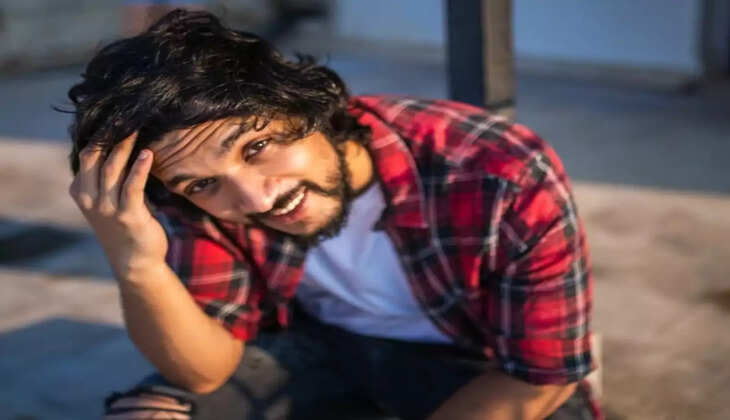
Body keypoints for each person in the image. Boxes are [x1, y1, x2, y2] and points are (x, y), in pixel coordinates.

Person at [66, 10, 599, 420]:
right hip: (320, 349)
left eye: (257, 148)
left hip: (476, 366)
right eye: (203, 183)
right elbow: (205, 373)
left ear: (304, 103)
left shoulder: (498, 172)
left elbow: (539, 378)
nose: (255, 199)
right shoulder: (197, 199)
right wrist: (137, 263)